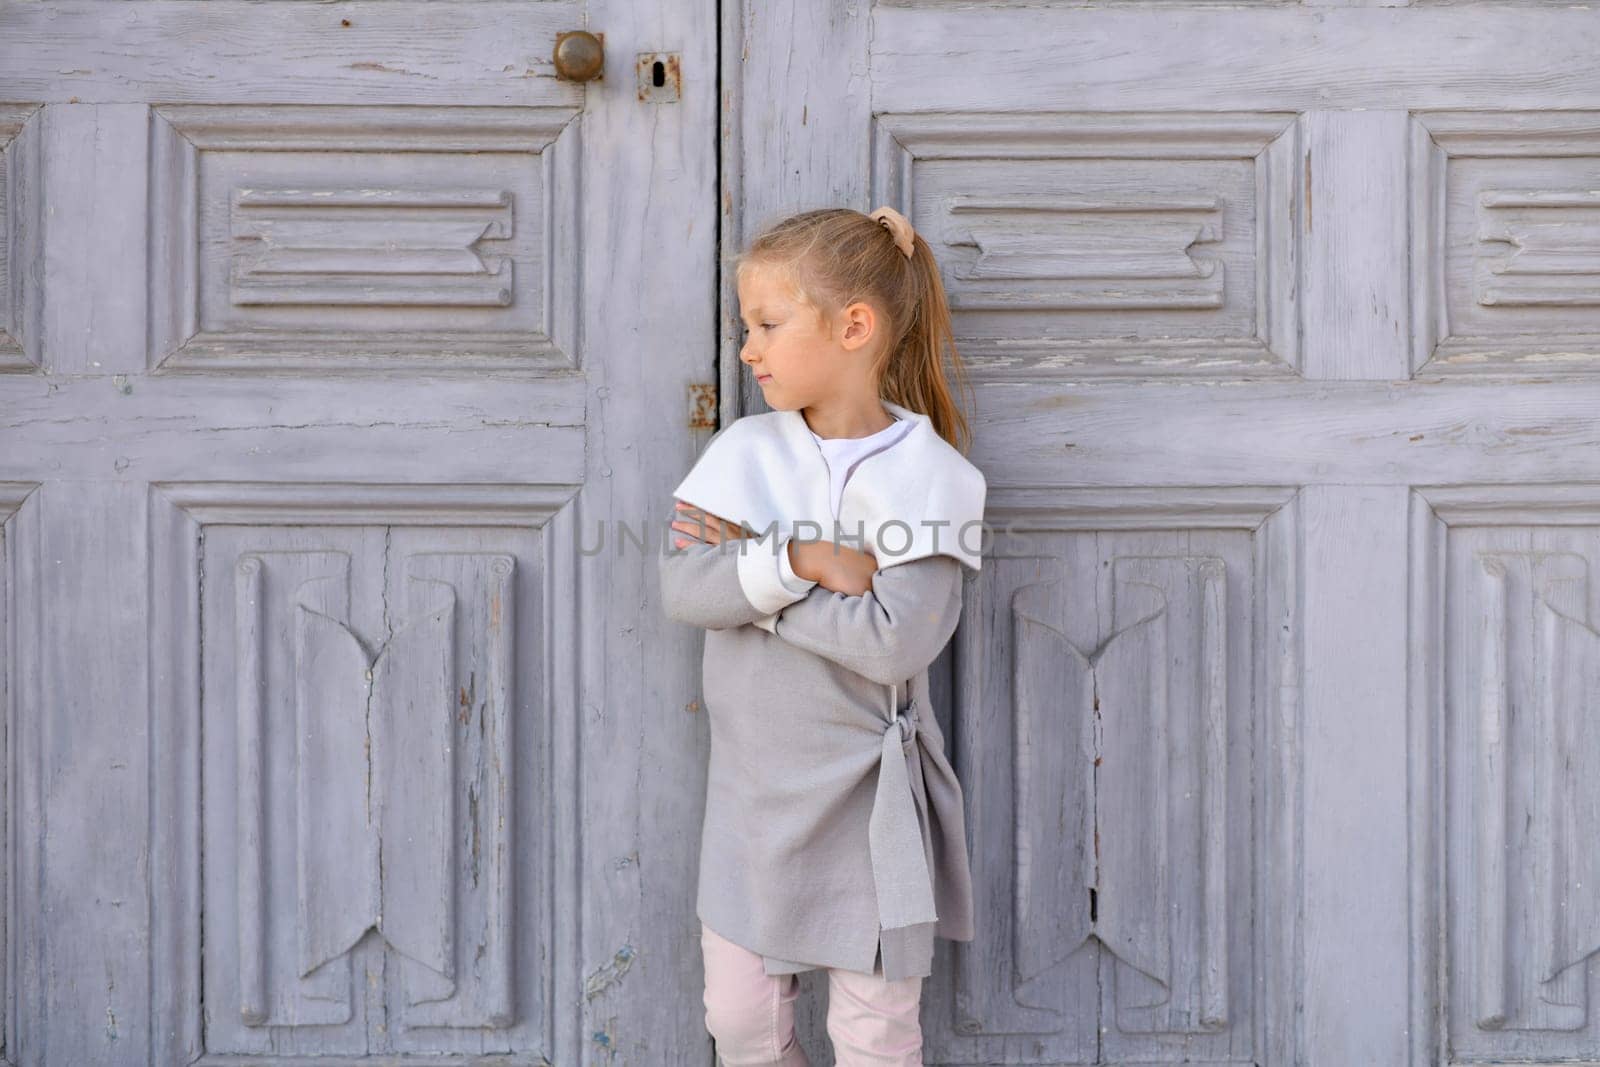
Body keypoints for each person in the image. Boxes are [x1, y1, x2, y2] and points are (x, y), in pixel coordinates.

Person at [657, 205, 987, 1065]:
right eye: (745, 327)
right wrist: (806, 558)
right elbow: (685, 587)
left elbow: (892, 641)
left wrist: (758, 593)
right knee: (741, 1023)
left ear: (853, 326)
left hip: (864, 804)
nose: (746, 350)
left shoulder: (933, 478)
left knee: (874, 1032)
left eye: (767, 324)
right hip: (750, 797)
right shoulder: (742, 453)